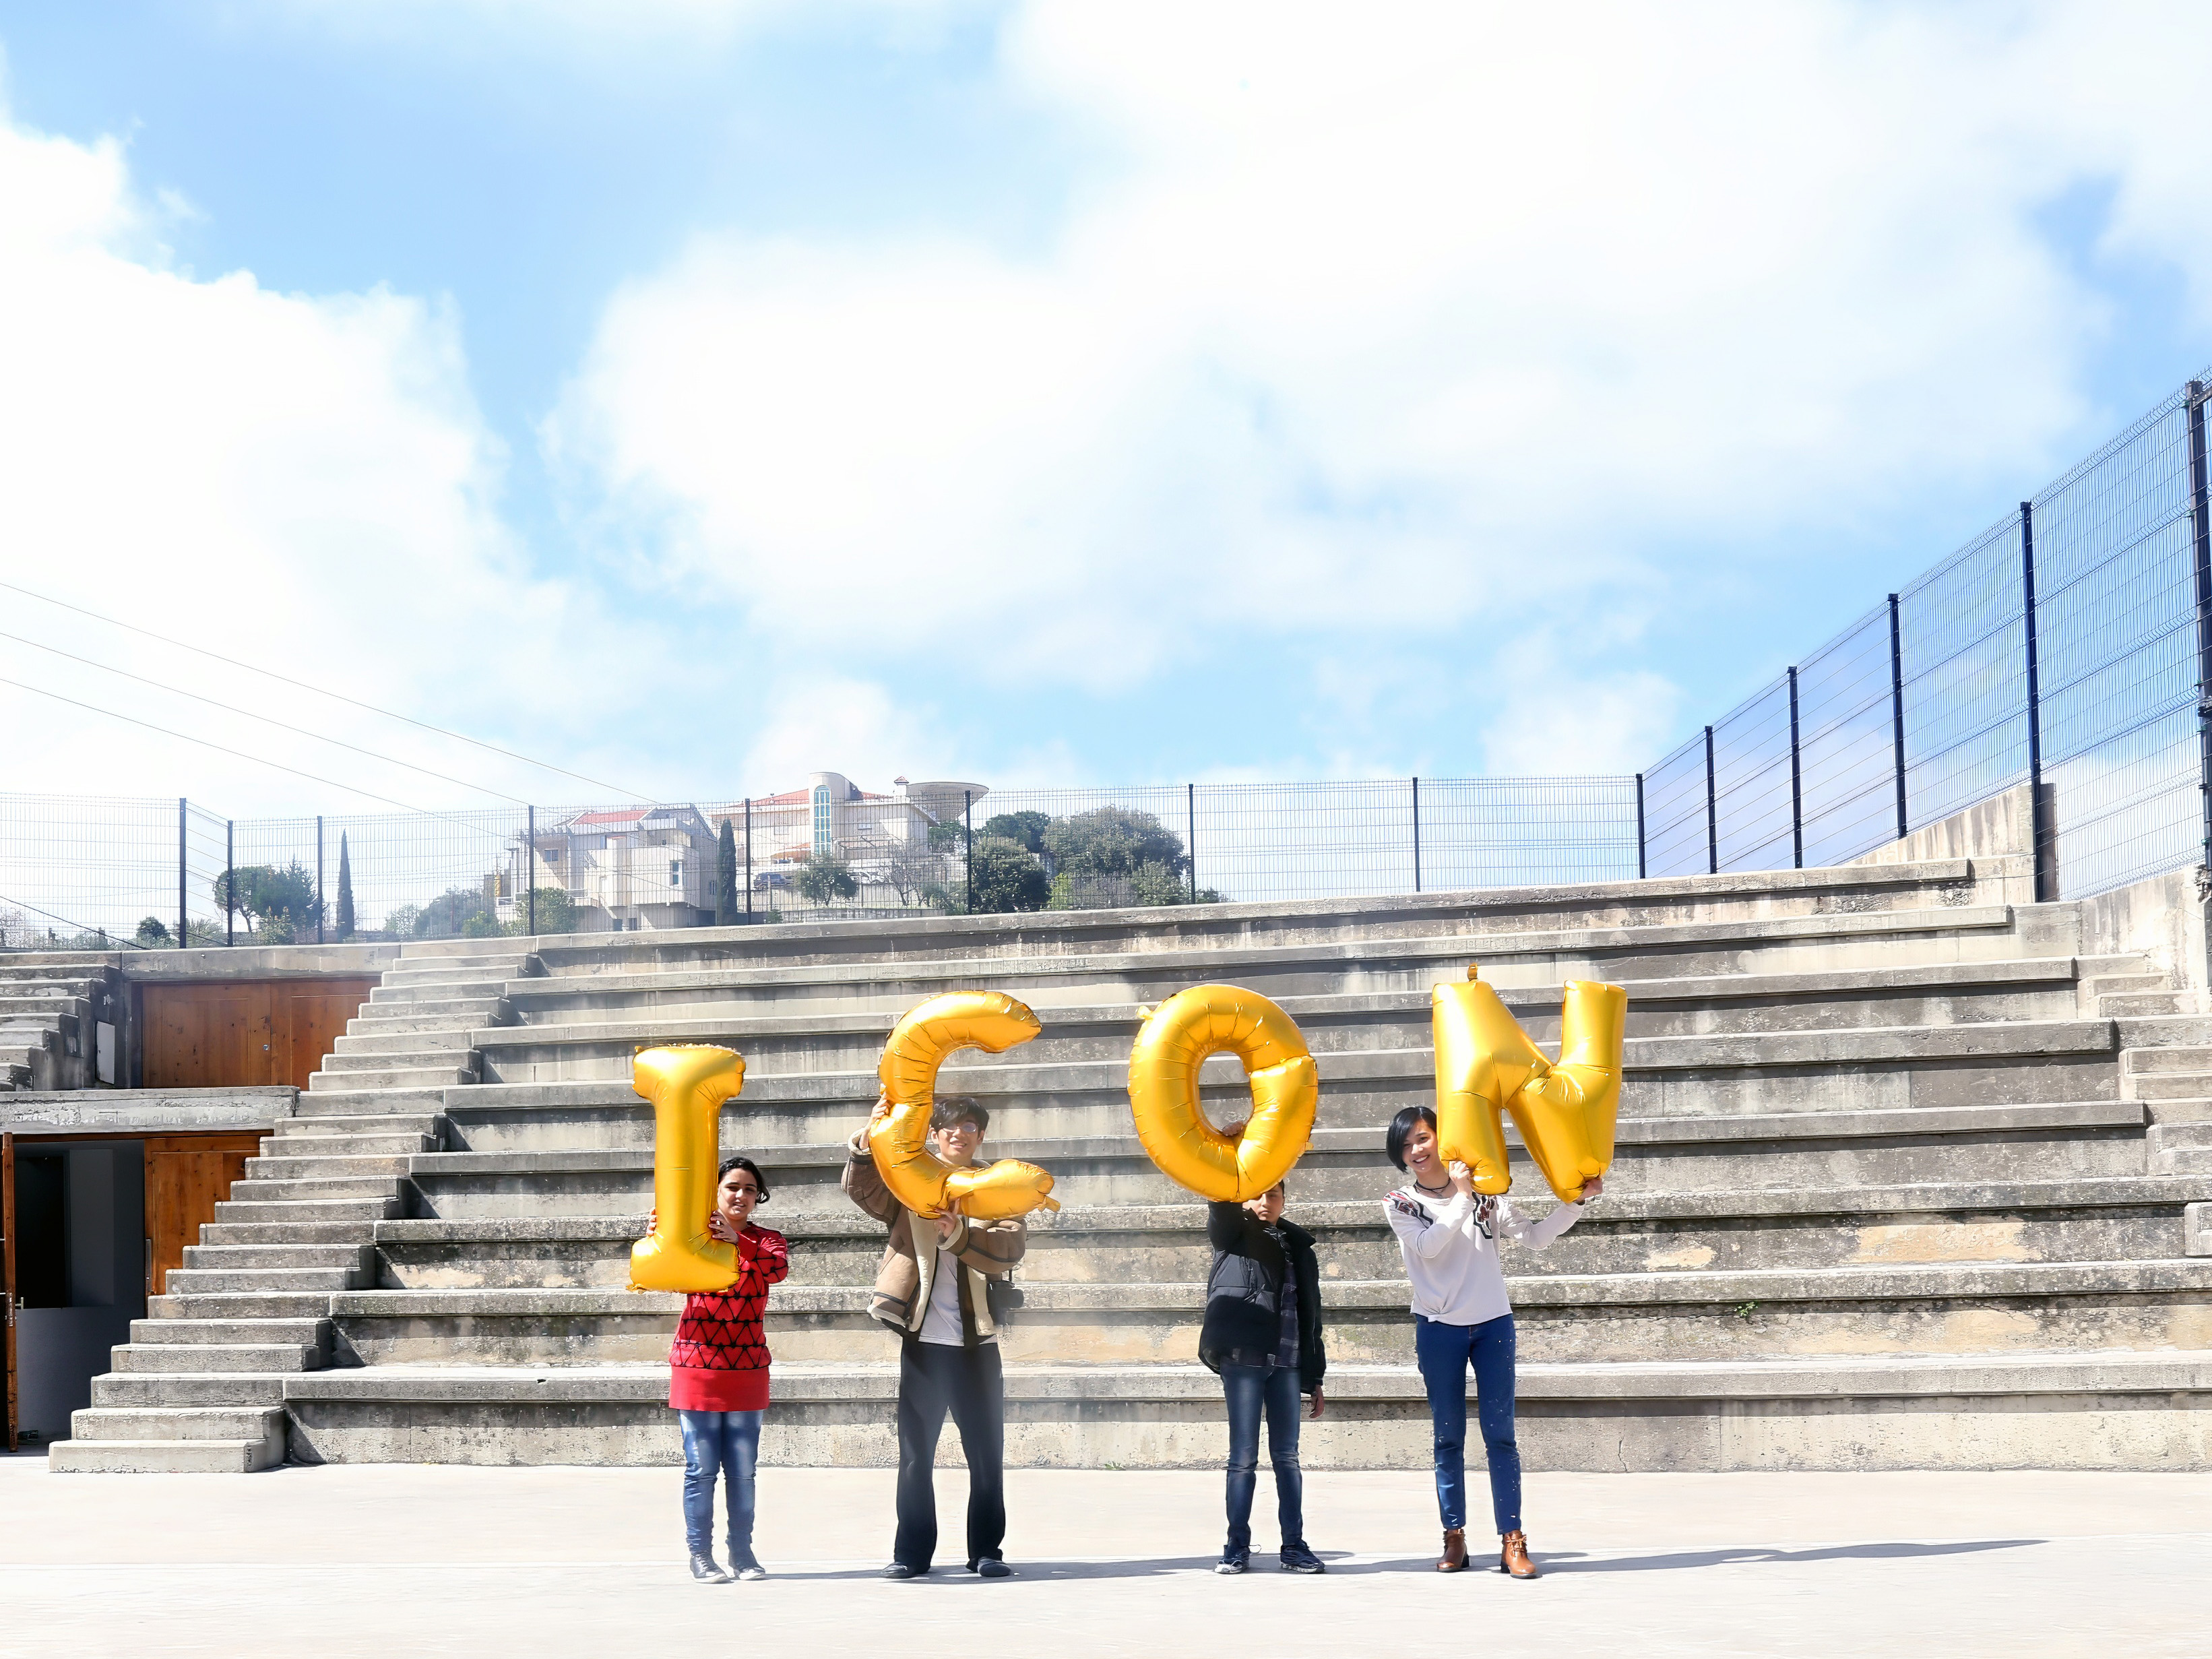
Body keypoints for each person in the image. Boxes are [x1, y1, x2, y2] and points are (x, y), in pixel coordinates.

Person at [1383, 1104, 1601, 1579]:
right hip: (1438, 1329)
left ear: (1444, 1138)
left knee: (1501, 1436)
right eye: (1405, 1145)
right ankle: (1454, 1536)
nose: (1415, 1151)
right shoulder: (1400, 1202)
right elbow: (1428, 1246)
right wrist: (1463, 1196)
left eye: (1422, 1139)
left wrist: (1575, 1204)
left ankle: (1513, 1541)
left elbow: (1536, 1238)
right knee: (1448, 1438)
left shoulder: (1487, 1194)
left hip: (1492, 1327)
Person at [843, 1091, 1028, 1579]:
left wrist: (957, 1236)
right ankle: (911, 1554)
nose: (959, 1134)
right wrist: (867, 1143)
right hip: (924, 1344)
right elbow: (865, 1192)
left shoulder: (996, 1186)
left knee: (986, 1457)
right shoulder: (910, 1183)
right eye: (950, 1126)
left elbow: (1009, 1247)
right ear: (935, 1134)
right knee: (915, 1457)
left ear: (981, 1136)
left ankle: (987, 1551)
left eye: (970, 1127)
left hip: (977, 1348)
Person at [662, 1154, 790, 1584]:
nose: (741, 1195)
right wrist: (664, 1236)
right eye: (732, 1187)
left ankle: (743, 1552)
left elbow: (777, 1271)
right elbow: (664, 1270)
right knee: (700, 1468)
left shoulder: (768, 1241)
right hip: (697, 1365)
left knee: (742, 1469)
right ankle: (700, 1555)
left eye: (750, 1189)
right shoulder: (696, 1237)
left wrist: (739, 1240)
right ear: (715, 1192)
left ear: (758, 1198)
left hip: (748, 1367)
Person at [1197, 1160, 1327, 1576]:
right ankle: (1236, 1546)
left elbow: (1312, 1318)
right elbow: (1221, 1207)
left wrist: (1316, 1378)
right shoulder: (1234, 1235)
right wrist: (1232, 1156)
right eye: (1257, 1194)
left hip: (1288, 1362)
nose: (1266, 1202)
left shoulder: (1300, 1248)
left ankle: (1294, 1546)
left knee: (1287, 1457)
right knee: (1243, 1458)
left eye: (1274, 1194)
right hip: (1244, 1359)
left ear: (1285, 1200)